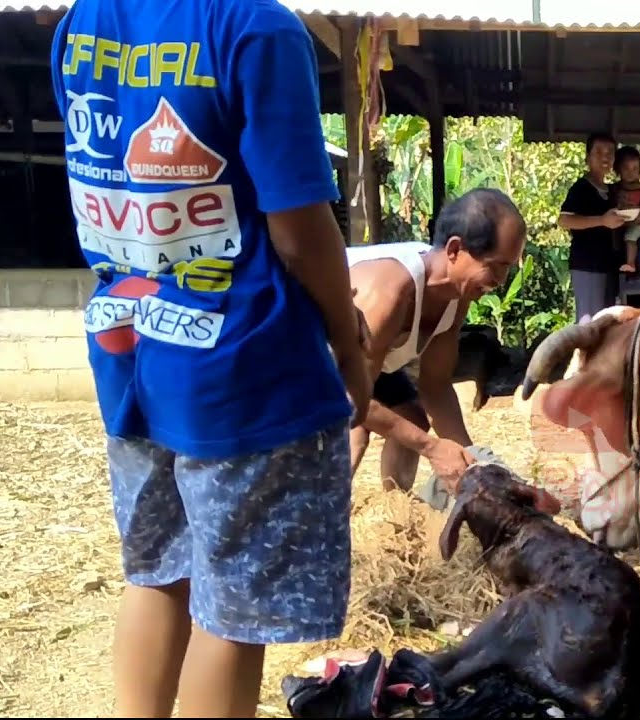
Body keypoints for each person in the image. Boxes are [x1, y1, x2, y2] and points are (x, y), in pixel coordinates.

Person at [49, 0, 372, 717]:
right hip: (241, 364)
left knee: (158, 572)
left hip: (130, 346)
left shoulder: (84, 20)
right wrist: (347, 342)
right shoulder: (254, 26)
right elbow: (296, 225)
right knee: (233, 611)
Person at [347, 188, 527, 501]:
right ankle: (318, 531)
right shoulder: (390, 291)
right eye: (498, 265)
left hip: (358, 367)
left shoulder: (456, 297)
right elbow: (350, 400)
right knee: (352, 435)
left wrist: (470, 467)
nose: (502, 279)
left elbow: (436, 386)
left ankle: (396, 512)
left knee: (412, 419)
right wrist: (432, 449)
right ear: (455, 249)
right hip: (296, 358)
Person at [558, 132, 630, 323]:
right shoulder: (581, 188)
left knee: (607, 322)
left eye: (610, 153)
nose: (605, 157)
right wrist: (601, 221)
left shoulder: (612, 191)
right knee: (589, 323)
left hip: (610, 265)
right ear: (587, 158)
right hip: (588, 265)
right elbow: (564, 220)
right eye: (598, 152)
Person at [611, 145, 640, 273]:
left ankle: (630, 263)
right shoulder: (614, 189)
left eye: (634, 168)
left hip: (636, 223)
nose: (630, 172)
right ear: (618, 170)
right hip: (618, 224)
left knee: (630, 237)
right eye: (626, 168)